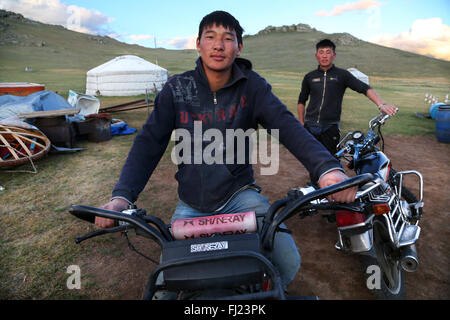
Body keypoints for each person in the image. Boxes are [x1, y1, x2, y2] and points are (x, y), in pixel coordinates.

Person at [95, 11, 357, 294]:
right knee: (164, 287)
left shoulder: (252, 87)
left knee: (287, 262)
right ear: (198, 44)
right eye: (210, 37)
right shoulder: (177, 89)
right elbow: (148, 144)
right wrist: (121, 197)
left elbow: (287, 126)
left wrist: (327, 169)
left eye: (227, 38)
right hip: (191, 203)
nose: (218, 45)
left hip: (240, 197)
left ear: (239, 47)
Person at [297, 39, 398, 155]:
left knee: (331, 161)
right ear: (316, 56)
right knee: (311, 159)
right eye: (321, 52)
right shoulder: (309, 77)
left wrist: (381, 105)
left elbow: (364, 88)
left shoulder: (342, 75)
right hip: (310, 126)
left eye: (328, 52)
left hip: (330, 127)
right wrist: (301, 123)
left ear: (334, 55)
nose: (324, 56)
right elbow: (301, 100)